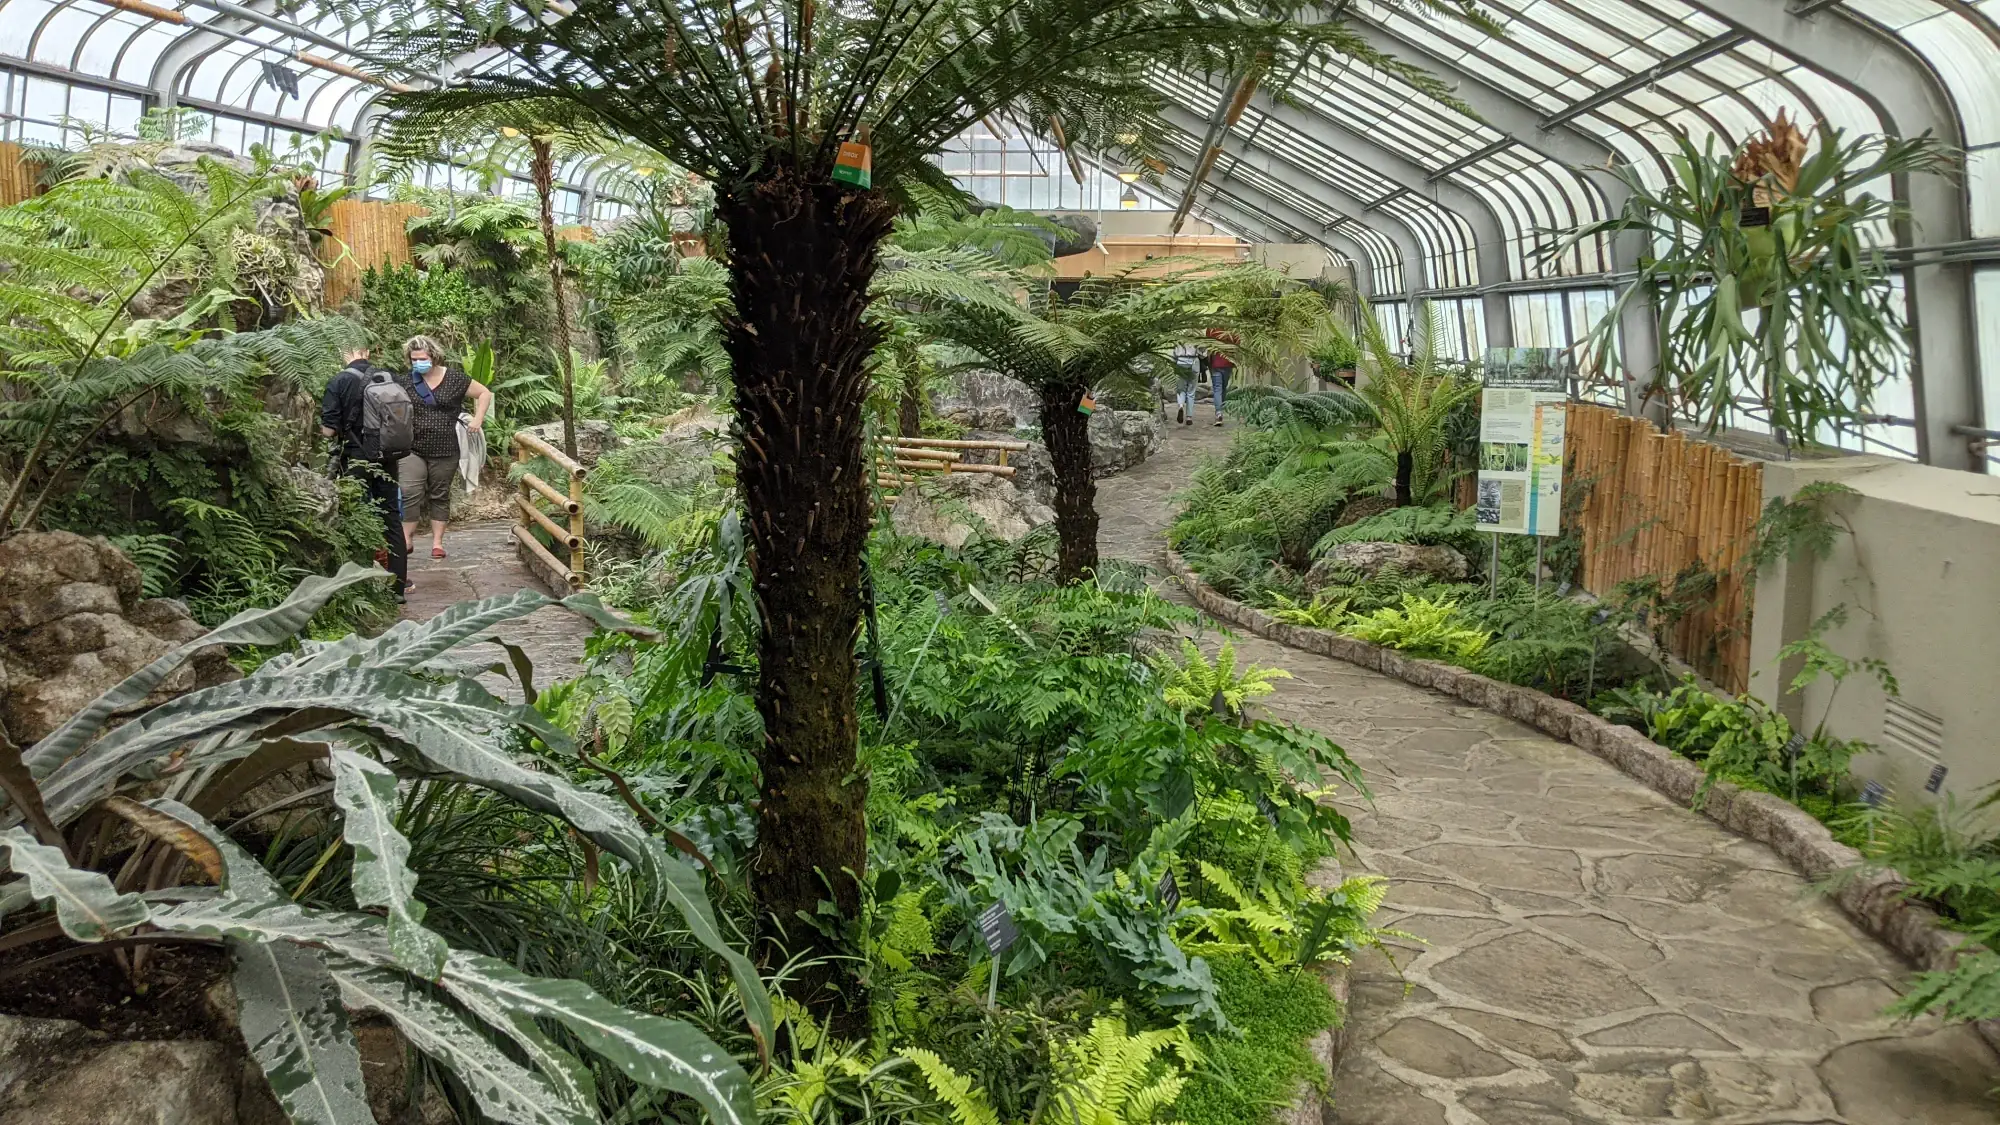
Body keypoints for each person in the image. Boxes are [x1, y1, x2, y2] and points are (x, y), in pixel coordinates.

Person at [319, 346, 409, 601]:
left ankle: (360, 588)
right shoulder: (388, 377)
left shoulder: (339, 381)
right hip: (387, 457)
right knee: (391, 517)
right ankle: (397, 590)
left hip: (356, 459)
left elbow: (328, 430)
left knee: (354, 516)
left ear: (344, 352)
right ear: (367, 351)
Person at [397, 335, 492, 561]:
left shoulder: (454, 378)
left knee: (439, 494)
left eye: (422, 358)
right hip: (413, 447)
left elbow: (484, 393)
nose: (418, 363)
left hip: (446, 448)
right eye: (414, 359)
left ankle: (437, 543)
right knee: (409, 492)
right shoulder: (406, 381)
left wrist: (478, 419)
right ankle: (406, 540)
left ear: (433, 356)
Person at [1205, 328, 1237, 426]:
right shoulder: (1232, 330)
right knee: (1223, 388)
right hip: (1228, 362)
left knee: (1217, 389)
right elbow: (1237, 345)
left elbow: (1207, 344)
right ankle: (1220, 410)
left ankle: (1218, 413)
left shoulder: (1211, 329)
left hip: (1215, 363)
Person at [1171, 343, 1200, 426]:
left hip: (1180, 362)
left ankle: (1181, 406)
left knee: (1181, 389)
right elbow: (1203, 354)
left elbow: (1173, 355)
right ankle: (1189, 417)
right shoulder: (1196, 337)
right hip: (1194, 362)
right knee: (1191, 391)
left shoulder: (1177, 338)